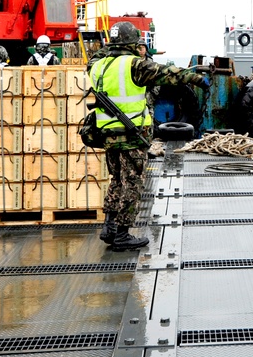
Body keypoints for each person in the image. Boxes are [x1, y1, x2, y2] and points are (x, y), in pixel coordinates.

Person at [88, 21, 208, 251]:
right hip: (131, 136)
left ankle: (109, 227)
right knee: (132, 182)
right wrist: (197, 79)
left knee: (117, 179)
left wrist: (111, 46)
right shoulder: (134, 65)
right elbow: (168, 74)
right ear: (132, 44)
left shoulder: (97, 65)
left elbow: (100, 56)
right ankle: (122, 235)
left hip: (108, 135)